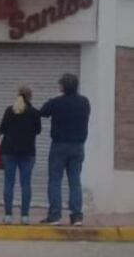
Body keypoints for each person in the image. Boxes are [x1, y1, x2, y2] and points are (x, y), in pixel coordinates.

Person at [39, 72, 91, 226]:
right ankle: (76, 216)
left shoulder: (57, 102)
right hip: (78, 146)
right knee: (75, 181)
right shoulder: (84, 102)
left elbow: (42, 112)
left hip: (59, 145)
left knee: (55, 180)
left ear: (63, 87)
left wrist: (56, 98)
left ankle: (55, 216)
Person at [0, 86, 42, 225]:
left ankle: (8, 216)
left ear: (18, 95)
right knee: (26, 184)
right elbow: (38, 131)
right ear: (30, 97)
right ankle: (25, 216)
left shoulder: (9, 110)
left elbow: (2, 129)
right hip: (28, 152)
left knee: (9, 183)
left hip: (9, 151)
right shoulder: (34, 113)